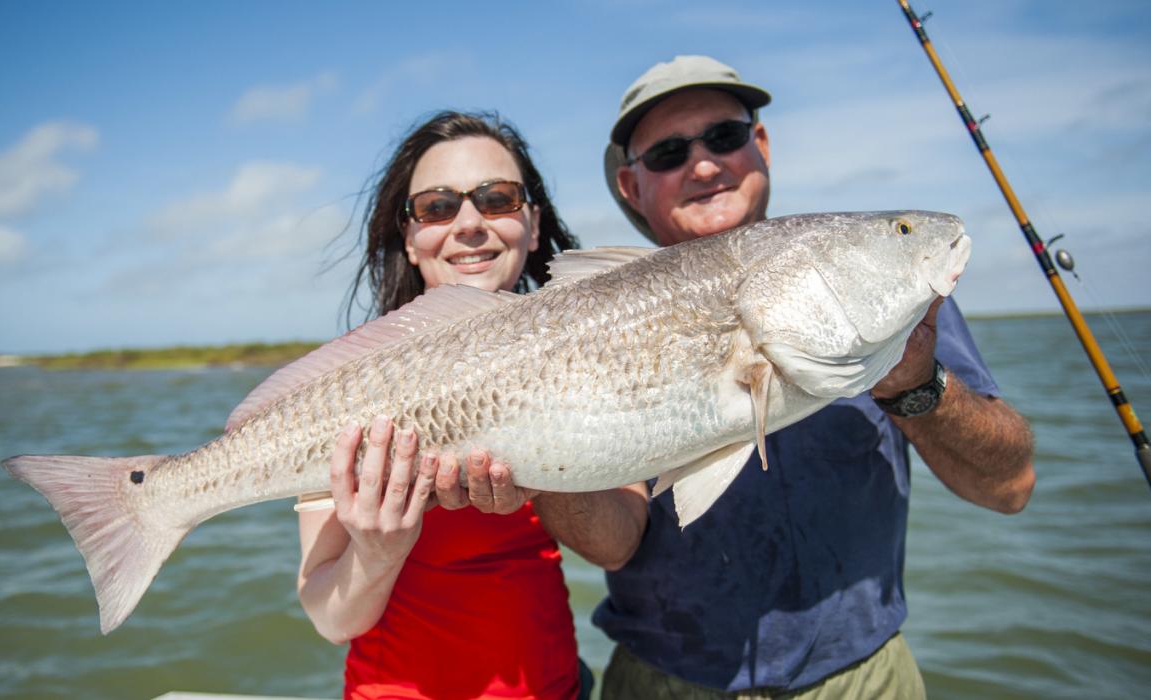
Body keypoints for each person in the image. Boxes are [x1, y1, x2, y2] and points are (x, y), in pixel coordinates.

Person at [516, 55, 1036, 698]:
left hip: (863, 680)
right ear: (631, 184)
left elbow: (1010, 489)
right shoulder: (592, 324)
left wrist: (918, 386)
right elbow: (613, 545)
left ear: (759, 144)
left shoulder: (906, 309)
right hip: (662, 680)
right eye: (670, 153)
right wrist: (532, 458)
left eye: (725, 136)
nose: (703, 166)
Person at [295, 111, 590, 700]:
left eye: (498, 199)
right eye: (437, 207)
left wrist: (550, 473)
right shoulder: (346, 389)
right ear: (410, 238)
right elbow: (329, 618)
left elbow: (622, 546)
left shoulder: (592, 345)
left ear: (533, 225)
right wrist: (378, 552)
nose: (470, 224)